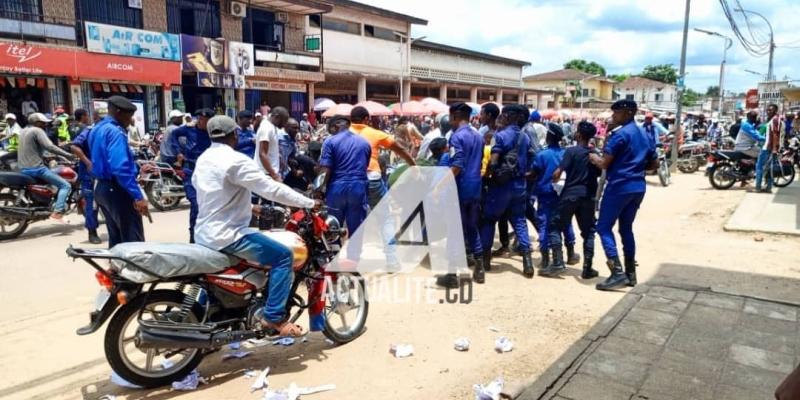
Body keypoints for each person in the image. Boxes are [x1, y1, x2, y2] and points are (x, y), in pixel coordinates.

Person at [193, 115, 318, 337]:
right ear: (234, 135)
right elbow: (271, 189)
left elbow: (215, 195)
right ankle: (273, 317)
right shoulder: (236, 160)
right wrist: (308, 202)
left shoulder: (204, 158)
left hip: (204, 233)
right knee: (282, 256)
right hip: (228, 236)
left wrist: (252, 207)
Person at [589, 100, 657, 291]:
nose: (613, 117)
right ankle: (630, 273)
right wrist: (635, 166)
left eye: (616, 113)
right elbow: (654, 165)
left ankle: (616, 272)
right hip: (638, 187)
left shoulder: (620, 135)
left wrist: (593, 157)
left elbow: (604, 163)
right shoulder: (644, 133)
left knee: (603, 227)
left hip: (619, 186)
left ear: (627, 113)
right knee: (626, 228)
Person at [350, 106, 415, 270]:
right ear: (366, 119)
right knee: (385, 219)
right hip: (372, 179)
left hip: (350, 181)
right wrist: (412, 164)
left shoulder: (343, 134)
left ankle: (351, 262)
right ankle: (392, 261)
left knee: (354, 221)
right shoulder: (374, 133)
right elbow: (398, 148)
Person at [539, 122, 600, 279]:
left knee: (554, 226)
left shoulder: (571, 152)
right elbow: (600, 172)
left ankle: (558, 263)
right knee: (588, 232)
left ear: (578, 135)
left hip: (570, 195)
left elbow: (558, 173)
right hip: (588, 197)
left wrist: (553, 179)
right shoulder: (594, 154)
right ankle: (587, 268)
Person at [481, 105, 534, 278]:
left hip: (501, 186)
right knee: (519, 221)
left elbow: (494, 161)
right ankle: (527, 262)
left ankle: (486, 260)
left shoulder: (500, 136)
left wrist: (489, 175)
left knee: (489, 220)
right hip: (520, 185)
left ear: (507, 116)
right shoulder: (525, 137)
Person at [436, 103, 485, 288]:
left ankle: (451, 274)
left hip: (459, 189)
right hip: (475, 188)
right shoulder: (478, 136)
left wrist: (438, 187)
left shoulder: (456, 137)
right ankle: (479, 268)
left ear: (455, 116)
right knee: (472, 228)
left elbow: (457, 165)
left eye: (450, 117)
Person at [89, 96, 149, 247]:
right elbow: (120, 168)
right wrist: (137, 196)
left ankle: (115, 269)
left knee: (116, 238)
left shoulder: (97, 128)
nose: (130, 120)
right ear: (118, 112)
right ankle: (132, 270)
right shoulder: (116, 132)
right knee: (132, 240)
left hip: (102, 188)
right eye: (128, 116)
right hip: (117, 189)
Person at [318, 115, 371, 261]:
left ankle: (333, 261)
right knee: (357, 227)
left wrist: (318, 190)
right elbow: (364, 166)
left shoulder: (330, 141)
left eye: (331, 130)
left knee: (333, 226)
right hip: (358, 188)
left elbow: (325, 170)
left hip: (337, 188)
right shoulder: (364, 142)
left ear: (335, 126)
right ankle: (354, 263)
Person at [529, 122, 581, 270]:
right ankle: (571, 254)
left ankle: (545, 258)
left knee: (545, 223)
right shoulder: (566, 153)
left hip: (545, 193)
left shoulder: (542, 155)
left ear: (549, 136)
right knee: (566, 222)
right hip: (563, 193)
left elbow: (534, 173)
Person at [17, 113, 76, 222]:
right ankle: (58, 212)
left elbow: (33, 149)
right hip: (36, 168)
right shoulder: (37, 130)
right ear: (36, 122)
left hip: (23, 168)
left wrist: (48, 156)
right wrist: (68, 155)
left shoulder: (23, 130)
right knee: (65, 185)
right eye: (43, 123)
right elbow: (49, 146)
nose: (45, 125)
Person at [169, 108, 215, 243]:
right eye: (199, 118)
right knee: (195, 203)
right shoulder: (189, 129)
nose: (200, 122)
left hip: (207, 172)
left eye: (204, 120)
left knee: (207, 205)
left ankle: (205, 237)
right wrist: (178, 151)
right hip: (190, 170)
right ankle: (193, 237)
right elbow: (174, 135)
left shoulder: (213, 132)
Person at [70, 111, 101, 244]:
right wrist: (87, 162)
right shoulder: (88, 131)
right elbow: (74, 146)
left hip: (106, 174)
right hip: (90, 175)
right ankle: (92, 231)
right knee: (92, 204)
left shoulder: (113, 130)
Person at [755, 104, 784, 193]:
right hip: (771, 148)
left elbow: (775, 134)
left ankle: (758, 187)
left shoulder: (774, 120)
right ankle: (768, 187)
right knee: (770, 168)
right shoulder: (775, 119)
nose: (768, 112)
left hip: (768, 148)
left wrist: (774, 149)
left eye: (770, 110)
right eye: (767, 110)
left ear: (775, 111)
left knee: (759, 167)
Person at [255, 107, 289, 182]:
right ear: (277, 117)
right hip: (266, 175)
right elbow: (262, 154)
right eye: (284, 121)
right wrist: (274, 175)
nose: (284, 124)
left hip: (270, 174)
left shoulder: (271, 127)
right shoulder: (267, 128)